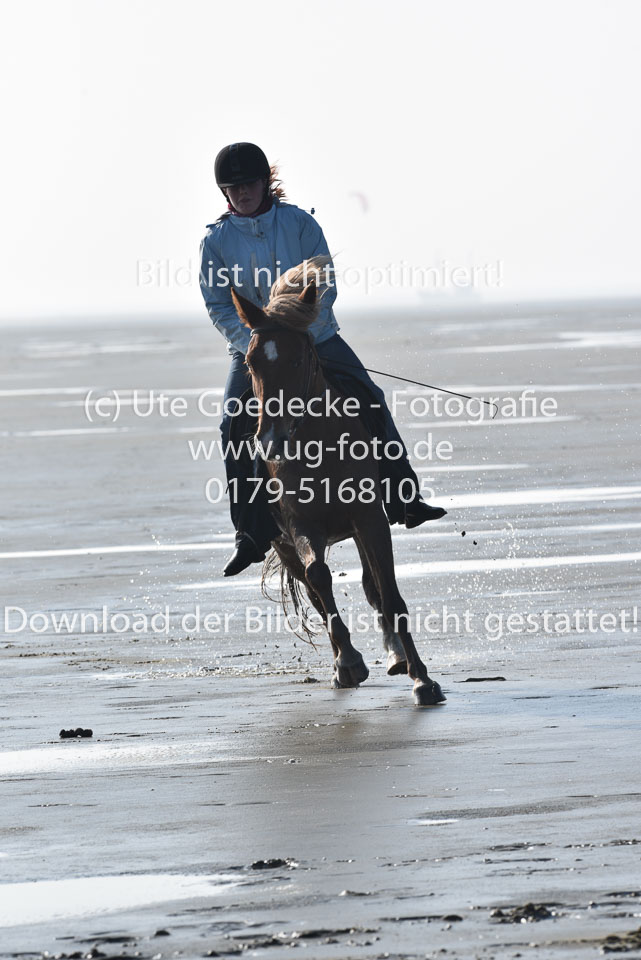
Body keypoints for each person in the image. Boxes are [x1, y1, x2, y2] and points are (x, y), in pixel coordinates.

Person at [199, 142, 446, 576]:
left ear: (264, 183)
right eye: (233, 188)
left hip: (315, 337)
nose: (242, 193)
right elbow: (219, 305)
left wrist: (299, 332)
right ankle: (250, 531)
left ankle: (403, 495)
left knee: (369, 395)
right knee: (230, 420)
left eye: (249, 184)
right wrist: (256, 341)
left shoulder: (299, 223)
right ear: (225, 194)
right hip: (253, 348)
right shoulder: (215, 244)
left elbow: (325, 282)